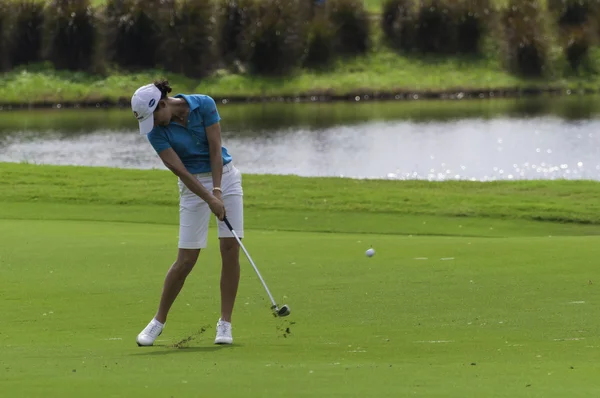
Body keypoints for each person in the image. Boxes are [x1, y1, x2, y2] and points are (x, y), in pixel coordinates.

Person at [130, 80, 244, 346]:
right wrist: (209, 198)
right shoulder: (155, 133)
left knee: (230, 249)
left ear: (162, 104)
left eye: (153, 116)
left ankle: (225, 324)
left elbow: (216, 150)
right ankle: (158, 321)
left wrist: (217, 191)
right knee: (186, 258)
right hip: (192, 184)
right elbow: (180, 170)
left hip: (225, 178)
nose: (153, 124)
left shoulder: (204, 104)